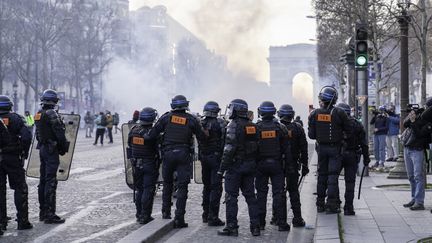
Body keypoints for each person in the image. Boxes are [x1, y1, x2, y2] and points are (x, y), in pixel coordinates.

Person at [146, 95, 208, 228]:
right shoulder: (191, 119)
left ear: (173, 105)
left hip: (168, 154)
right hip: (184, 155)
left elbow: (151, 135)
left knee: (167, 184)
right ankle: (179, 218)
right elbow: (202, 136)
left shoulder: (166, 117)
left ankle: (166, 213)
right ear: (186, 105)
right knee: (182, 186)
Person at [217, 99, 260, 237]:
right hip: (250, 165)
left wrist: (221, 169)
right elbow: (258, 146)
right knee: (251, 197)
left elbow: (229, 150)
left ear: (235, 110)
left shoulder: (233, 125)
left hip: (235, 167)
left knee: (231, 197)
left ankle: (231, 227)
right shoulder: (253, 126)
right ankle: (255, 227)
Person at [308, 86, 350, 214]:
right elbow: (348, 130)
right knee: (333, 176)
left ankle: (320, 203)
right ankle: (331, 204)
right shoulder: (340, 113)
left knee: (322, 175)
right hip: (335, 148)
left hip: (321, 148)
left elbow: (311, 135)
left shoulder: (314, 114)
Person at [34, 89, 69, 224]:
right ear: (54, 101)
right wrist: (63, 146)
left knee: (43, 181)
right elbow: (60, 133)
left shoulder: (39, 113)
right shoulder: (52, 114)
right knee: (51, 181)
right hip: (51, 150)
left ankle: (43, 212)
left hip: (43, 148)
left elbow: (37, 134)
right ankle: (50, 214)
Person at [255, 101, 290, 231]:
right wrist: (289, 167)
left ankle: (260, 223)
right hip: (277, 165)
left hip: (260, 165)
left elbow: (252, 149)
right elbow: (287, 150)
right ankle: (281, 223)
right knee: (279, 194)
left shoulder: (256, 127)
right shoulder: (281, 127)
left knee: (261, 194)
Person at [0, 95, 32, 231]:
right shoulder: (17, 118)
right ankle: (22, 221)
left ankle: (1, 222)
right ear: (10, 106)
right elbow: (27, 136)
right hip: (13, 157)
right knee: (20, 188)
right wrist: (24, 152)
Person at [277, 104, 308, 227]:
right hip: (293, 164)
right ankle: (297, 218)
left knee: (279, 192)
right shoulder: (298, 128)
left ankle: (278, 219)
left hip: (278, 165)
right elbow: (304, 148)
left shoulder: (277, 127)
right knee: (294, 191)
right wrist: (305, 165)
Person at [336, 103, 370, 215]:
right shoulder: (357, 124)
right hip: (352, 155)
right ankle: (348, 207)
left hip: (338, 155)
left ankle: (335, 203)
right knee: (350, 182)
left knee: (332, 179)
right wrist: (366, 158)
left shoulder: (335, 123)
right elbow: (364, 144)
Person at [128, 107, 160, 224]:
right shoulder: (153, 132)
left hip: (136, 164)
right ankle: (145, 215)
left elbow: (129, 147)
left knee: (139, 190)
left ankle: (139, 214)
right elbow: (158, 148)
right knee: (148, 190)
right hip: (149, 164)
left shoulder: (133, 130)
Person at [198, 101, 226, 226]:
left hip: (204, 157)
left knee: (207, 186)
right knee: (216, 187)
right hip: (215, 158)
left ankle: (205, 214)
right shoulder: (220, 123)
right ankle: (213, 217)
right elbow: (225, 140)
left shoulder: (201, 123)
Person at [401, 106, 432, 211]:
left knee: (418, 176)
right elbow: (405, 124)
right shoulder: (415, 119)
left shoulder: (428, 123)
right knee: (411, 176)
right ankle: (414, 198)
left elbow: (419, 134)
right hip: (407, 149)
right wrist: (410, 117)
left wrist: (414, 121)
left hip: (417, 150)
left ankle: (419, 202)